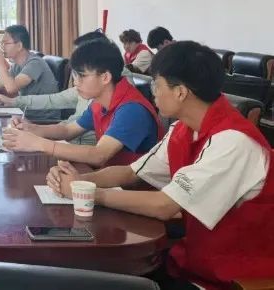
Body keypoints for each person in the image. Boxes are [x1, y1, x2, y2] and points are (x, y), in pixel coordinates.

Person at [46, 41, 274, 290]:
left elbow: (165, 206)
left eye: (157, 84)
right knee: (92, 275)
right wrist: (78, 181)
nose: (153, 92)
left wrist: (91, 193)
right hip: (191, 259)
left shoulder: (233, 141)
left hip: (233, 276)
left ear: (180, 92)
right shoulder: (183, 129)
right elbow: (130, 172)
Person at [2, 39, 162, 167]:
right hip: (106, 178)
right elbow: (68, 130)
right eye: (74, 75)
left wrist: (38, 144)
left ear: (105, 77)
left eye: (81, 76)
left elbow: (99, 155)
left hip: (130, 190)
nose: (75, 82)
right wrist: (32, 129)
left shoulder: (131, 109)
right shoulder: (99, 102)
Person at [0, 30, 108, 141]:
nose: (75, 81)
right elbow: (54, 104)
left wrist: (38, 134)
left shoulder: (108, 100)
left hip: (61, 135)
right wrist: (32, 128)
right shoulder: (84, 92)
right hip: (63, 139)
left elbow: (97, 151)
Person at [0, 25, 58, 97]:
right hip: (25, 111)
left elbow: (11, 88)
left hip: (40, 114)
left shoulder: (35, 63)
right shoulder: (17, 65)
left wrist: (1, 63)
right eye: (2, 43)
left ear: (19, 46)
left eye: (6, 43)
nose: (2, 47)